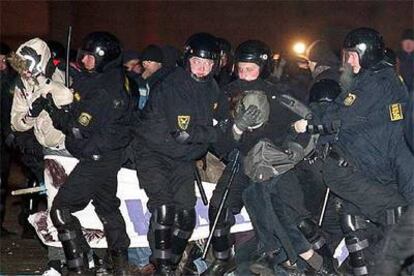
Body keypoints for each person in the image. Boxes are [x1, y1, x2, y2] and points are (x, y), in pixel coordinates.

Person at [295, 27, 414, 275]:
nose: (347, 61)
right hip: (350, 168)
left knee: (371, 221)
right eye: (346, 55)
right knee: (381, 218)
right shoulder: (367, 83)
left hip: (366, 171)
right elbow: (339, 113)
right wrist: (312, 121)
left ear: (366, 54)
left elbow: (342, 118)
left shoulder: (379, 83)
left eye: (352, 55)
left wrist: (311, 124)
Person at [133, 32, 228, 275]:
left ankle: (168, 263)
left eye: (207, 64)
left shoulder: (212, 88)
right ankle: (162, 266)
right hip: (153, 152)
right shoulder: (174, 85)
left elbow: (220, 120)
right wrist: (216, 131)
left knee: (187, 218)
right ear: (187, 60)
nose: (202, 69)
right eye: (197, 62)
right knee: (164, 209)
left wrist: (232, 128)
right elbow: (183, 133)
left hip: (182, 157)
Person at [46, 32, 133, 275]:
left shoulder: (106, 90)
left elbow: (78, 127)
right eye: (84, 57)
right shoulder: (109, 79)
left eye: (90, 58)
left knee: (61, 210)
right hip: (107, 156)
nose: (84, 62)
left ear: (105, 59)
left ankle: (80, 264)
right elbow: (82, 89)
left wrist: (53, 110)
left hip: (97, 159)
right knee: (107, 208)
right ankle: (120, 266)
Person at [0, 42, 18, 236]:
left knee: (2, 183)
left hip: (4, 139)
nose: (2, 65)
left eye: (4, 60)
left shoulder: (11, 82)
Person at [397, 28, 414, 94]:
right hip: (401, 92)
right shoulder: (396, 58)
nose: (408, 45)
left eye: (411, 42)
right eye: (406, 42)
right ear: (402, 43)